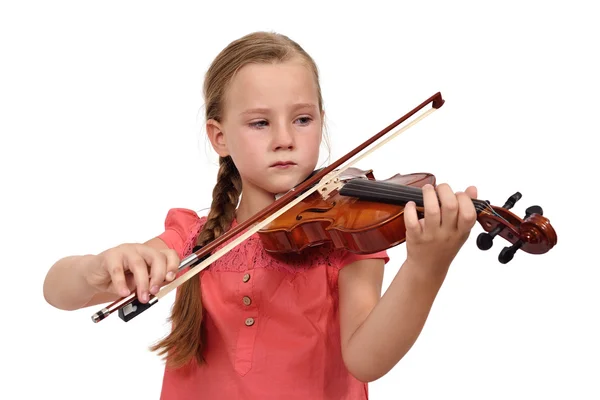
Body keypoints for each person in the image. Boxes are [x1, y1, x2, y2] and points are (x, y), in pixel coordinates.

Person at [43, 31, 478, 399]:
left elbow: (366, 360)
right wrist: (101, 268)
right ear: (220, 137)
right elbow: (57, 291)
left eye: (303, 119)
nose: (285, 139)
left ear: (322, 124)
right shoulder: (195, 238)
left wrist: (426, 268)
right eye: (260, 123)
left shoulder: (343, 239)